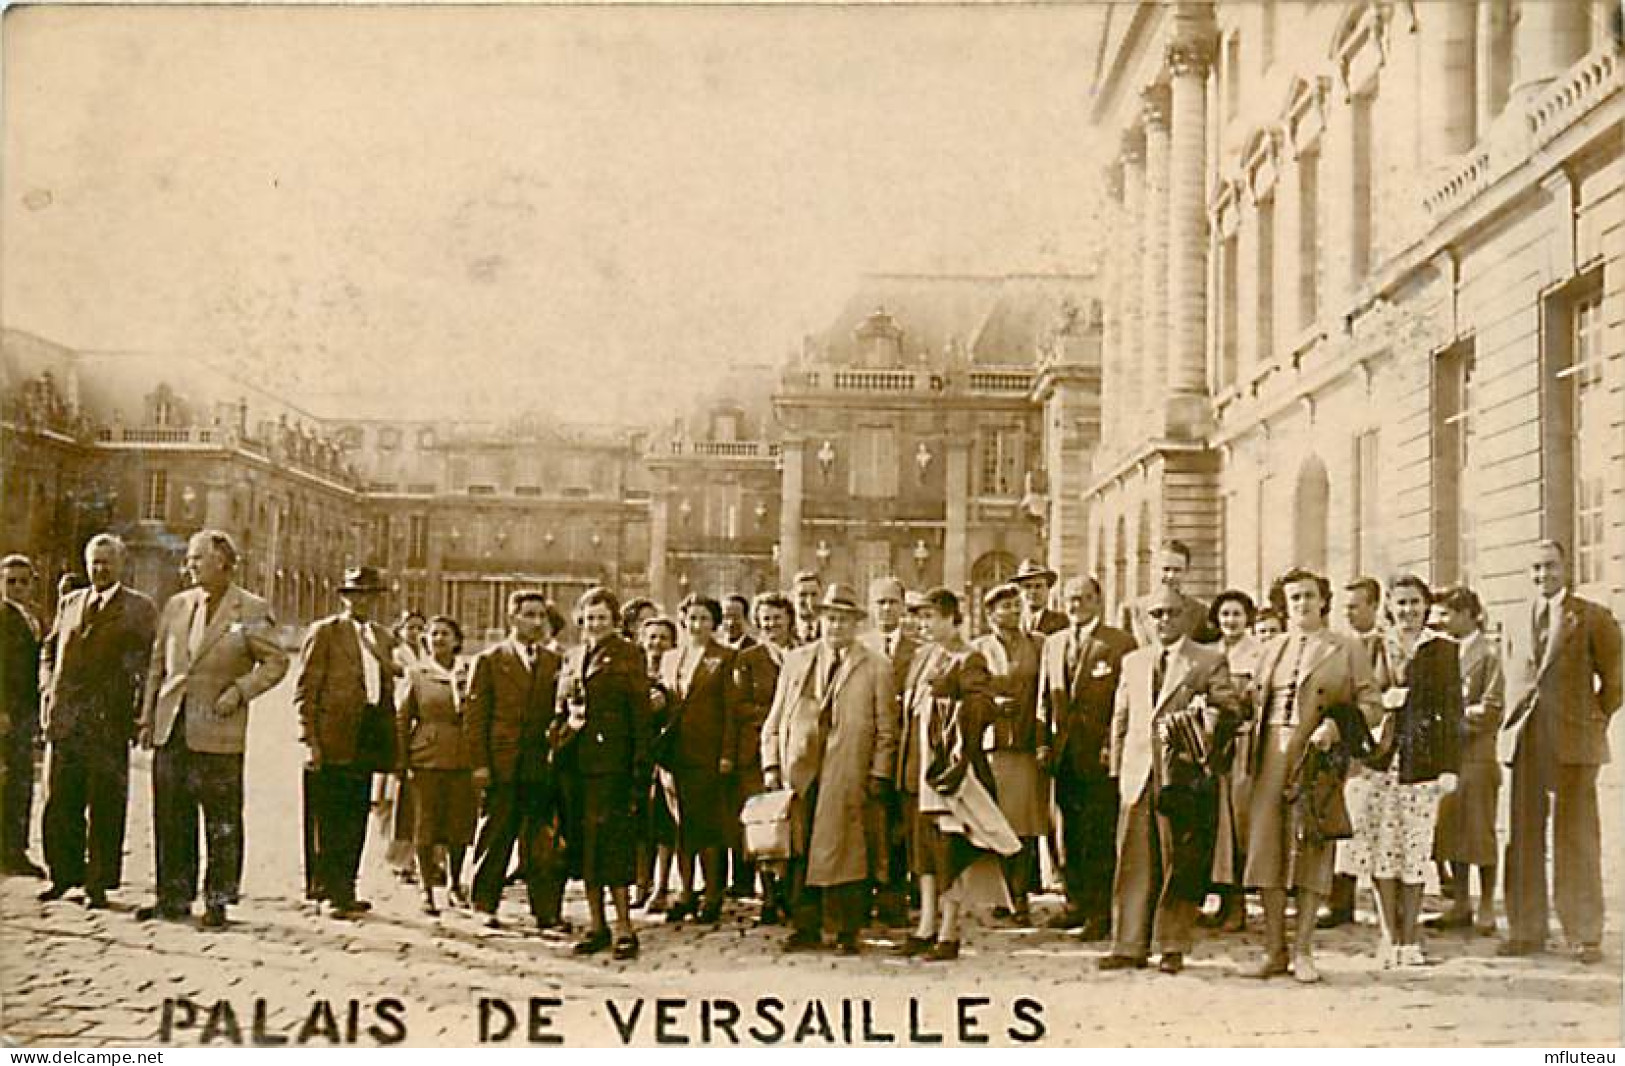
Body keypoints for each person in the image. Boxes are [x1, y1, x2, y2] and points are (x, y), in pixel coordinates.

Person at [138, 530, 288, 928]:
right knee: (171, 814)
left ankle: (218, 899)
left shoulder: (250, 609)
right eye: (188, 559)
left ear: (223, 562)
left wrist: (240, 692)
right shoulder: (176, 605)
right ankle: (173, 895)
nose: (189, 565)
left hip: (219, 730)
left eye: (197, 558)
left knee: (221, 818)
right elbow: (158, 664)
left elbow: (275, 663)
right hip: (172, 728)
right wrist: (148, 715)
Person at [1241, 567, 1380, 983]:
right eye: (1293, 597)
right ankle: (1273, 950)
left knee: (1312, 850)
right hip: (1268, 757)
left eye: (1308, 596)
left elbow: (1372, 704)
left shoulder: (1345, 648)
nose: (1301, 604)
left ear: (1323, 601)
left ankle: (1303, 950)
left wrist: (1337, 727)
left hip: (1316, 760)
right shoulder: (1270, 649)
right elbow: (1252, 701)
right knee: (1267, 850)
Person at [1100, 584, 1238, 975]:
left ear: (1188, 617)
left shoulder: (1207, 660)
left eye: (1172, 613)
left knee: (1178, 857)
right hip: (1138, 769)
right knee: (1133, 857)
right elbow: (1121, 718)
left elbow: (1230, 708)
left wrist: (1204, 717)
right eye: (1156, 614)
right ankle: (1128, 944)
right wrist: (1118, 768)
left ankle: (1173, 944)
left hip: (1183, 774)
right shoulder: (1134, 661)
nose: (1164, 621)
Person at [1498, 541, 1622, 963]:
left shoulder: (1593, 617)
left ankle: (1584, 932)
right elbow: (1510, 676)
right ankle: (1525, 930)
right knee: (1522, 836)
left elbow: (1616, 680)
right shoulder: (1514, 618)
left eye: (1549, 566)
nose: (1542, 575)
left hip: (1574, 742)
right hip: (1526, 737)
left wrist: (1593, 720)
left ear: (1565, 567)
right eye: (1535, 568)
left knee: (1577, 836)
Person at [762, 583, 898, 955]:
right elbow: (775, 716)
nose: (835, 627)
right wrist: (772, 763)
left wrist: (879, 773)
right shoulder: (798, 661)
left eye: (843, 620)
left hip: (848, 769)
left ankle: (846, 929)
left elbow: (887, 728)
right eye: (830, 619)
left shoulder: (876, 666)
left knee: (849, 849)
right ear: (820, 620)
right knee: (800, 849)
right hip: (802, 769)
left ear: (855, 624)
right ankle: (805, 926)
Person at [1341, 574, 1461, 968]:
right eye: (1401, 603)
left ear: (1426, 606)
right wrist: (1380, 706)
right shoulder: (1370, 646)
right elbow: (1352, 703)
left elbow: (1452, 713)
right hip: (1377, 763)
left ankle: (1411, 938)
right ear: (1388, 607)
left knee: (1414, 850)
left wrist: (1449, 767)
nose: (1408, 611)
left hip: (1421, 766)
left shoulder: (1442, 650)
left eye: (1415, 602)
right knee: (1379, 849)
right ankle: (1388, 937)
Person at [893, 587, 1016, 962]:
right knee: (924, 855)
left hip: (951, 774)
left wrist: (947, 705)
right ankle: (925, 925)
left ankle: (949, 930)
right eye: (920, 617)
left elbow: (981, 708)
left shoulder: (969, 659)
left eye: (930, 617)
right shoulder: (923, 656)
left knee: (949, 853)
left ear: (951, 618)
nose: (924, 624)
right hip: (918, 767)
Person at [37, 535, 157, 910]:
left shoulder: (139, 608)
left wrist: (139, 710)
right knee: (60, 801)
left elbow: (149, 662)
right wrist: (47, 687)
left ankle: (97, 883)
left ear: (122, 565)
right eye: (94, 562)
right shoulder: (71, 602)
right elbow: (50, 648)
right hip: (66, 720)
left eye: (107, 562)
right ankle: (62, 875)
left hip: (108, 722)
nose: (99, 569)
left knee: (104, 804)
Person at [295, 566, 401, 919]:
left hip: (369, 734)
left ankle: (347, 887)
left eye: (369, 595)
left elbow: (399, 677)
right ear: (345, 598)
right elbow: (306, 689)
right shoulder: (326, 632)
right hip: (332, 735)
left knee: (357, 813)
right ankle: (325, 889)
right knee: (328, 815)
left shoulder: (383, 638)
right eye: (356, 594)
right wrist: (309, 739)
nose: (363, 601)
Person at [1037, 574, 1135, 938]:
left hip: (1100, 755)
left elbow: (1126, 701)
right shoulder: (1054, 643)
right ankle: (1075, 901)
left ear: (1098, 600)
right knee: (1070, 832)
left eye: (1082, 598)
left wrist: (1115, 745)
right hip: (1064, 755)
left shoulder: (1119, 643)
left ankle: (1101, 910)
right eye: (1069, 599)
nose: (1075, 605)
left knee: (1099, 832)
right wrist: (1042, 742)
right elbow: (1045, 698)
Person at [466, 590, 568, 933]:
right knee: (496, 835)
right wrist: (480, 764)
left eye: (541, 616)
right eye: (529, 615)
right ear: (512, 618)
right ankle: (484, 903)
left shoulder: (555, 663)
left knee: (541, 840)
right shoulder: (491, 661)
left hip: (540, 765)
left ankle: (546, 911)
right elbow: (476, 718)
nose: (536, 622)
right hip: (502, 763)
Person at [558, 587, 650, 960]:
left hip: (613, 765)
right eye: (589, 617)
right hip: (577, 764)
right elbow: (560, 706)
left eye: (602, 617)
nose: (595, 624)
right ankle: (596, 925)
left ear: (614, 621)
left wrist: (639, 767)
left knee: (613, 846)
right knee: (585, 847)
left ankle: (624, 926)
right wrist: (565, 729)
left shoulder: (628, 654)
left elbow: (640, 714)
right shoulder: (574, 656)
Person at [1427, 585, 1504, 937]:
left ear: (1469, 614)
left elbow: (1492, 708)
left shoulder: (1489, 654)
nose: (1440, 620)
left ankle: (1487, 903)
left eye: (1447, 614)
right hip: (1447, 758)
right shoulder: (1441, 654)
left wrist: (1449, 720)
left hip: (1477, 755)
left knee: (1480, 831)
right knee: (1450, 829)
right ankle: (1460, 901)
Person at [658, 594, 738, 925]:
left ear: (715, 624)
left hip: (708, 753)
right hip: (675, 754)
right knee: (681, 827)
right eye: (692, 618)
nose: (697, 625)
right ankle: (686, 891)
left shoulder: (725, 658)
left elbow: (731, 711)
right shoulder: (671, 658)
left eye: (704, 619)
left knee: (709, 827)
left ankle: (712, 894)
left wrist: (727, 753)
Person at [972, 582, 1046, 927]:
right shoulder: (979, 650)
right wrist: (991, 703)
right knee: (994, 819)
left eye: (1016, 606)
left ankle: (1021, 895)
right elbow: (970, 692)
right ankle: (998, 894)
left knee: (1025, 823)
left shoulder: (1038, 645)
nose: (1013, 612)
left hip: (1026, 743)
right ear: (990, 614)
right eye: (1005, 607)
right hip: (992, 743)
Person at [395, 615, 475, 916]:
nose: (439, 639)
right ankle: (426, 889)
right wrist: (401, 760)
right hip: (426, 758)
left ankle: (455, 883)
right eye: (433, 634)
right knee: (425, 827)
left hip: (462, 757)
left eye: (445, 634)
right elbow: (403, 719)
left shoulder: (469, 672)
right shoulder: (416, 675)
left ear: (457, 640)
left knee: (459, 826)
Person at [1320, 575, 1387, 931]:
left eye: (1355, 607)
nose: (1348, 614)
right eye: (1344, 608)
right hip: (1343, 742)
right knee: (1342, 817)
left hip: (1376, 744)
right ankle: (1339, 899)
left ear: (1374, 606)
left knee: (1375, 822)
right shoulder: (1339, 646)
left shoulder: (1384, 647)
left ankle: (1383, 902)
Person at [729, 592, 794, 916]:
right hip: (754, 750)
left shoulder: (803, 654)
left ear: (789, 620)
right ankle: (768, 894)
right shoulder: (748, 659)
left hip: (794, 750)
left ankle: (790, 891)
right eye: (765, 619)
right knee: (763, 821)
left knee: (791, 819)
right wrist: (776, 715)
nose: (771, 625)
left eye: (777, 618)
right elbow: (739, 706)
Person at [1203, 589, 1265, 932]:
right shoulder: (1210, 653)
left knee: (1239, 824)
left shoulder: (1259, 654)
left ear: (1248, 618)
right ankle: (1224, 899)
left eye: (1237, 614)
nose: (1231, 621)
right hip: (1214, 746)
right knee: (1219, 826)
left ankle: (1240, 903)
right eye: (1225, 614)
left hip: (1244, 743)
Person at [860, 576, 918, 929]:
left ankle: (894, 898)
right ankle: (864, 895)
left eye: (892, 603)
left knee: (897, 827)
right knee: (865, 825)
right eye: (879, 603)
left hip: (904, 751)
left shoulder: (918, 650)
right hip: (864, 750)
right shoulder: (859, 649)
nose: (886, 610)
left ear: (903, 607)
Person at [375, 610, 427, 885]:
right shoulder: (397, 655)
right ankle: (398, 857)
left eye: (421, 627)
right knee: (392, 797)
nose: (416, 632)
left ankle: (417, 858)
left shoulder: (428, 656)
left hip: (418, 726)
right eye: (411, 627)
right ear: (401, 630)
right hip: (396, 724)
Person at [0, 554, 44, 877]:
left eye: (22, 582)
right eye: (9, 581)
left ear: (33, 585)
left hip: (24, 713)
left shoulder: (31, 617)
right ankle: (9, 851)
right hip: (7, 714)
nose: (16, 588)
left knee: (20, 781)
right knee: (9, 780)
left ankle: (14, 848)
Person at [637, 616, 680, 912]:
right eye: (651, 637)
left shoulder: (675, 673)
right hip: (638, 754)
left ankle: (662, 885)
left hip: (667, 754)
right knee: (640, 822)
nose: (657, 644)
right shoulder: (633, 672)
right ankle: (641, 883)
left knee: (665, 824)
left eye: (663, 638)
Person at [1120, 541, 1216, 647]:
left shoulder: (1201, 612)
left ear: (1187, 571)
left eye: (1177, 570)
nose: (1171, 575)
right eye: (1166, 569)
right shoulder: (1131, 610)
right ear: (1155, 569)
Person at [1012, 559, 1067, 637]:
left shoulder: (1062, 622)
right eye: (1027, 586)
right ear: (1019, 591)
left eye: (1038, 586)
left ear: (1048, 590)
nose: (1033, 591)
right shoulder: (1011, 620)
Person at [790, 572, 822, 646]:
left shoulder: (829, 630)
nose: (809, 600)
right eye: (802, 594)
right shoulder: (785, 629)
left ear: (822, 596)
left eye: (814, 594)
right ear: (793, 596)